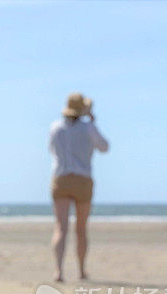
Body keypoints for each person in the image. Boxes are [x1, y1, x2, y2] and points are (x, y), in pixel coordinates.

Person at [48, 92, 109, 282]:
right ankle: (81, 270)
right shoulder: (88, 128)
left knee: (60, 227)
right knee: (81, 229)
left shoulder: (55, 128)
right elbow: (104, 147)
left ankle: (59, 271)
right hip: (82, 179)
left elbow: (51, 150)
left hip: (61, 178)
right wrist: (92, 121)